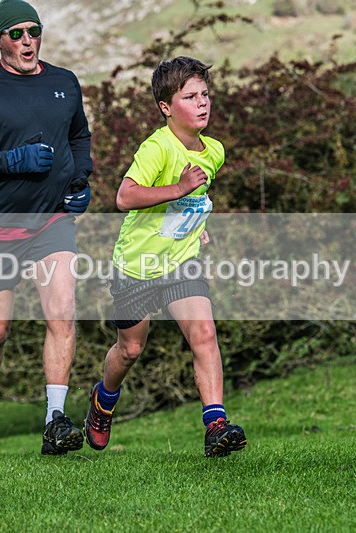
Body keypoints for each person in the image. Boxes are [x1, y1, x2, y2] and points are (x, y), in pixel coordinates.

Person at [0, 0, 93, 457]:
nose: (27, 40)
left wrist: (81, 180)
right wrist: (10, 161)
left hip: (52, 222)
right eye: (17, 33)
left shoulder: (64, 82)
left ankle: (54, 423)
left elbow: (78, 137)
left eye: (34, 31)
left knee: (62, 315)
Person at [83, 57, 247, 457]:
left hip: (181, 262)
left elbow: (194, 197)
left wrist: (195, 220)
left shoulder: (215, 152)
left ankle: (216, 425)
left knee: (204, 335)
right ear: (166, 107)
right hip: (137, 265)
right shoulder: (157, 147)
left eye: (205, 94)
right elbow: (125, 196)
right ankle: (103, 403)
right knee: (130, 351)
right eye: (190, 97)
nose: (202, 103)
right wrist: (177, 189)